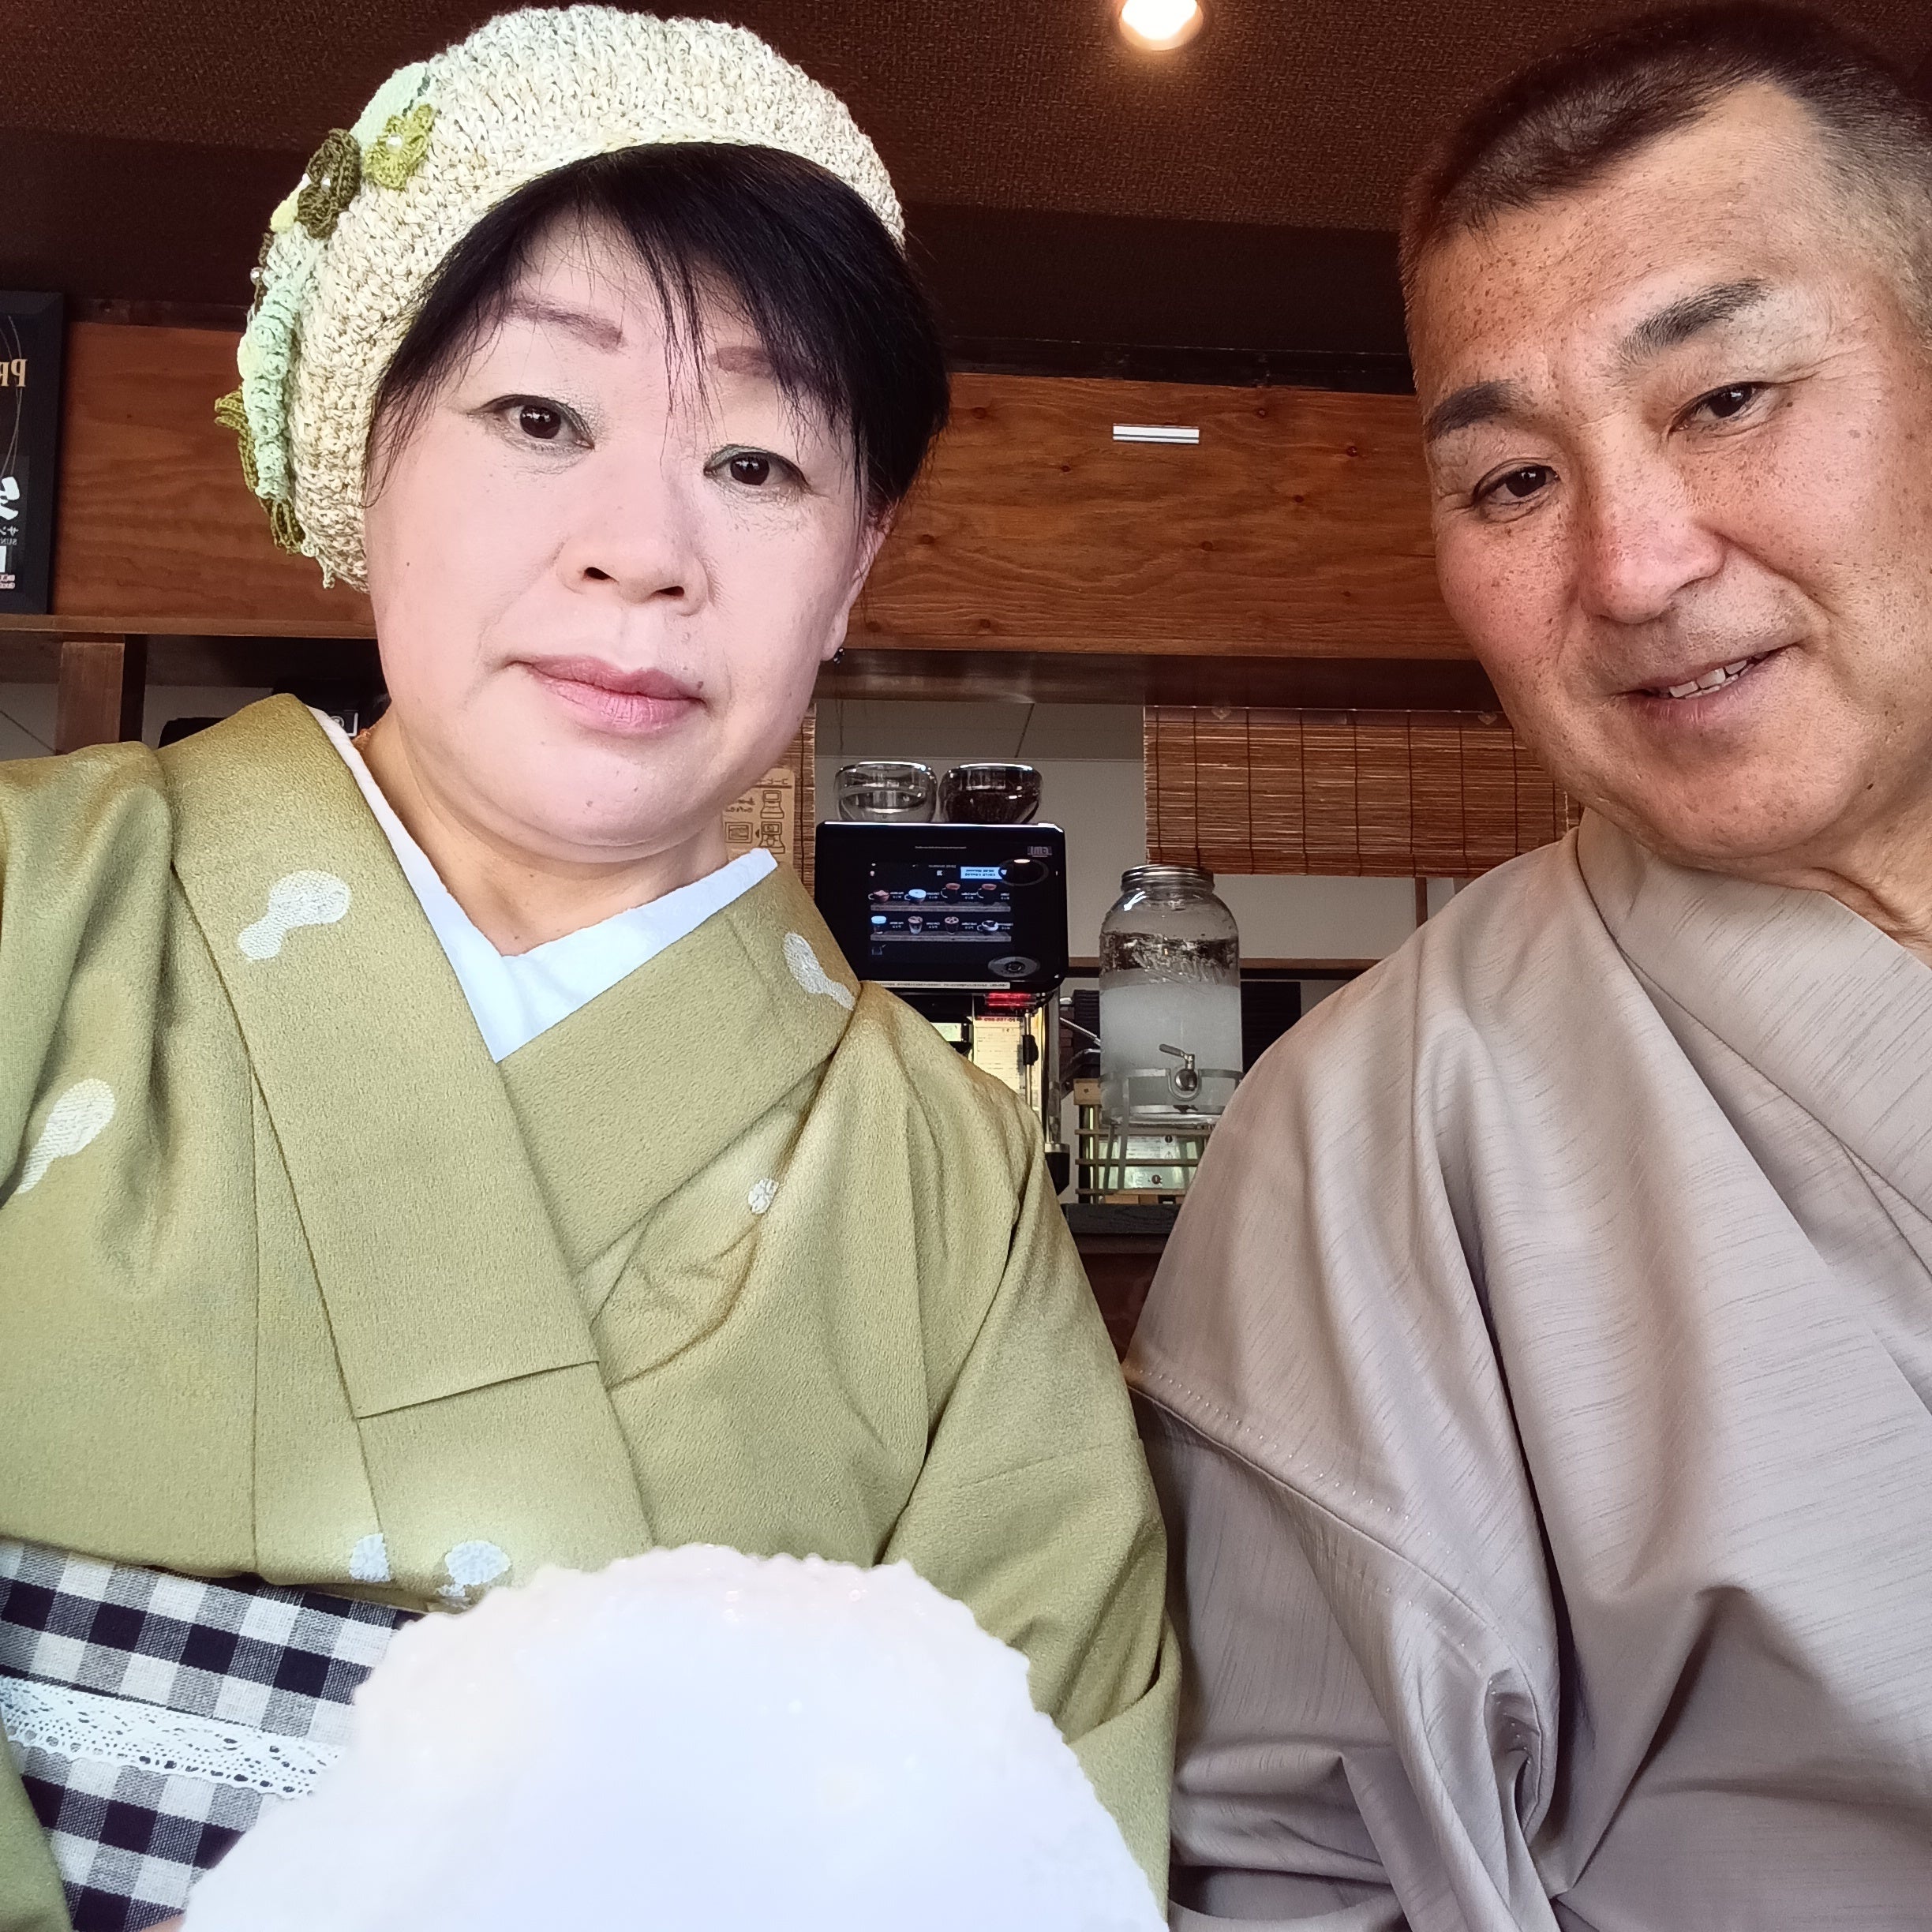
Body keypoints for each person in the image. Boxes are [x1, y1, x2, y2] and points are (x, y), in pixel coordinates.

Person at [0, 13, 1176, 1929]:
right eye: (540, 419)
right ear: (367, 446)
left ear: (855, 564)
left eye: (758, 462)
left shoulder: (942, 1185)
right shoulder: (36, 907)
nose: (644, 552)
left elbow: (1049, 1831)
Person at [1129, 6, 1932, 1927]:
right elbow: (1296, 1878)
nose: (1634, 566)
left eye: (1725, 397)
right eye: (1509, 483)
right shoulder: (1371, 1136)